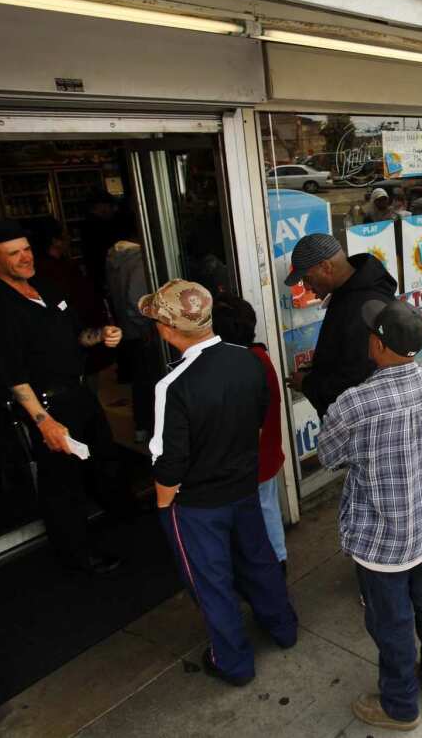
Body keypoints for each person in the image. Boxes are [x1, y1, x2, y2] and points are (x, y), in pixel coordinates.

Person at [142, 279, 297, 686]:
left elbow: (169, 464)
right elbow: (259, 417)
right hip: (243, 486)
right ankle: (283, 628)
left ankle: (233, 662)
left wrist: (163, 507)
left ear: (166, 326)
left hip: (198, 504)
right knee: (259, 561)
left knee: (212, 583)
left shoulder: (172, 385)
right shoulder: (248, 360)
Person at [317, 299, 422, 730]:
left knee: (391, 622)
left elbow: (327, 454)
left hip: (382, 538)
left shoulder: (356, 403)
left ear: (378, 345)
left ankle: (399, 704)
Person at [0, 220, 128, 574]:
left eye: (26, 249)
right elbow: (12, 374)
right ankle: (78, 555)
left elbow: (77, 336)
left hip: (77, 392)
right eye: (13, 254)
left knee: (102, 458)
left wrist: (102, 335)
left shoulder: (46, 287)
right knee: (61, 485)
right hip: (46, 404)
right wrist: (43, 421)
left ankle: (123, 521)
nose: (24, 258)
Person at [211, 295, 288, 571]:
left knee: (257, 518)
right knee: (268, 511)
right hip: (265, 455)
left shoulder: (237, 366)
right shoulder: (260, 357)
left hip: (248, 461)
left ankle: (272, 567)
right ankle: (278, 561)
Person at [283, 234, 397, 418]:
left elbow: (357, 381)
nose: (306, 286)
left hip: (362, 426)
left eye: (307, 278)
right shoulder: (350, 293)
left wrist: (308, 384)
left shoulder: (363, 305)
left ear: (326, 267)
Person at [105, 222, 155, 443]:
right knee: (148, 378)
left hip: (127, 328)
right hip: (141, 330)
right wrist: (146, 327)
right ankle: (148, 426)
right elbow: (137, 300)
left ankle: (142, 426)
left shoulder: (115, 259)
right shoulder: (139, 260)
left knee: (141, 379)